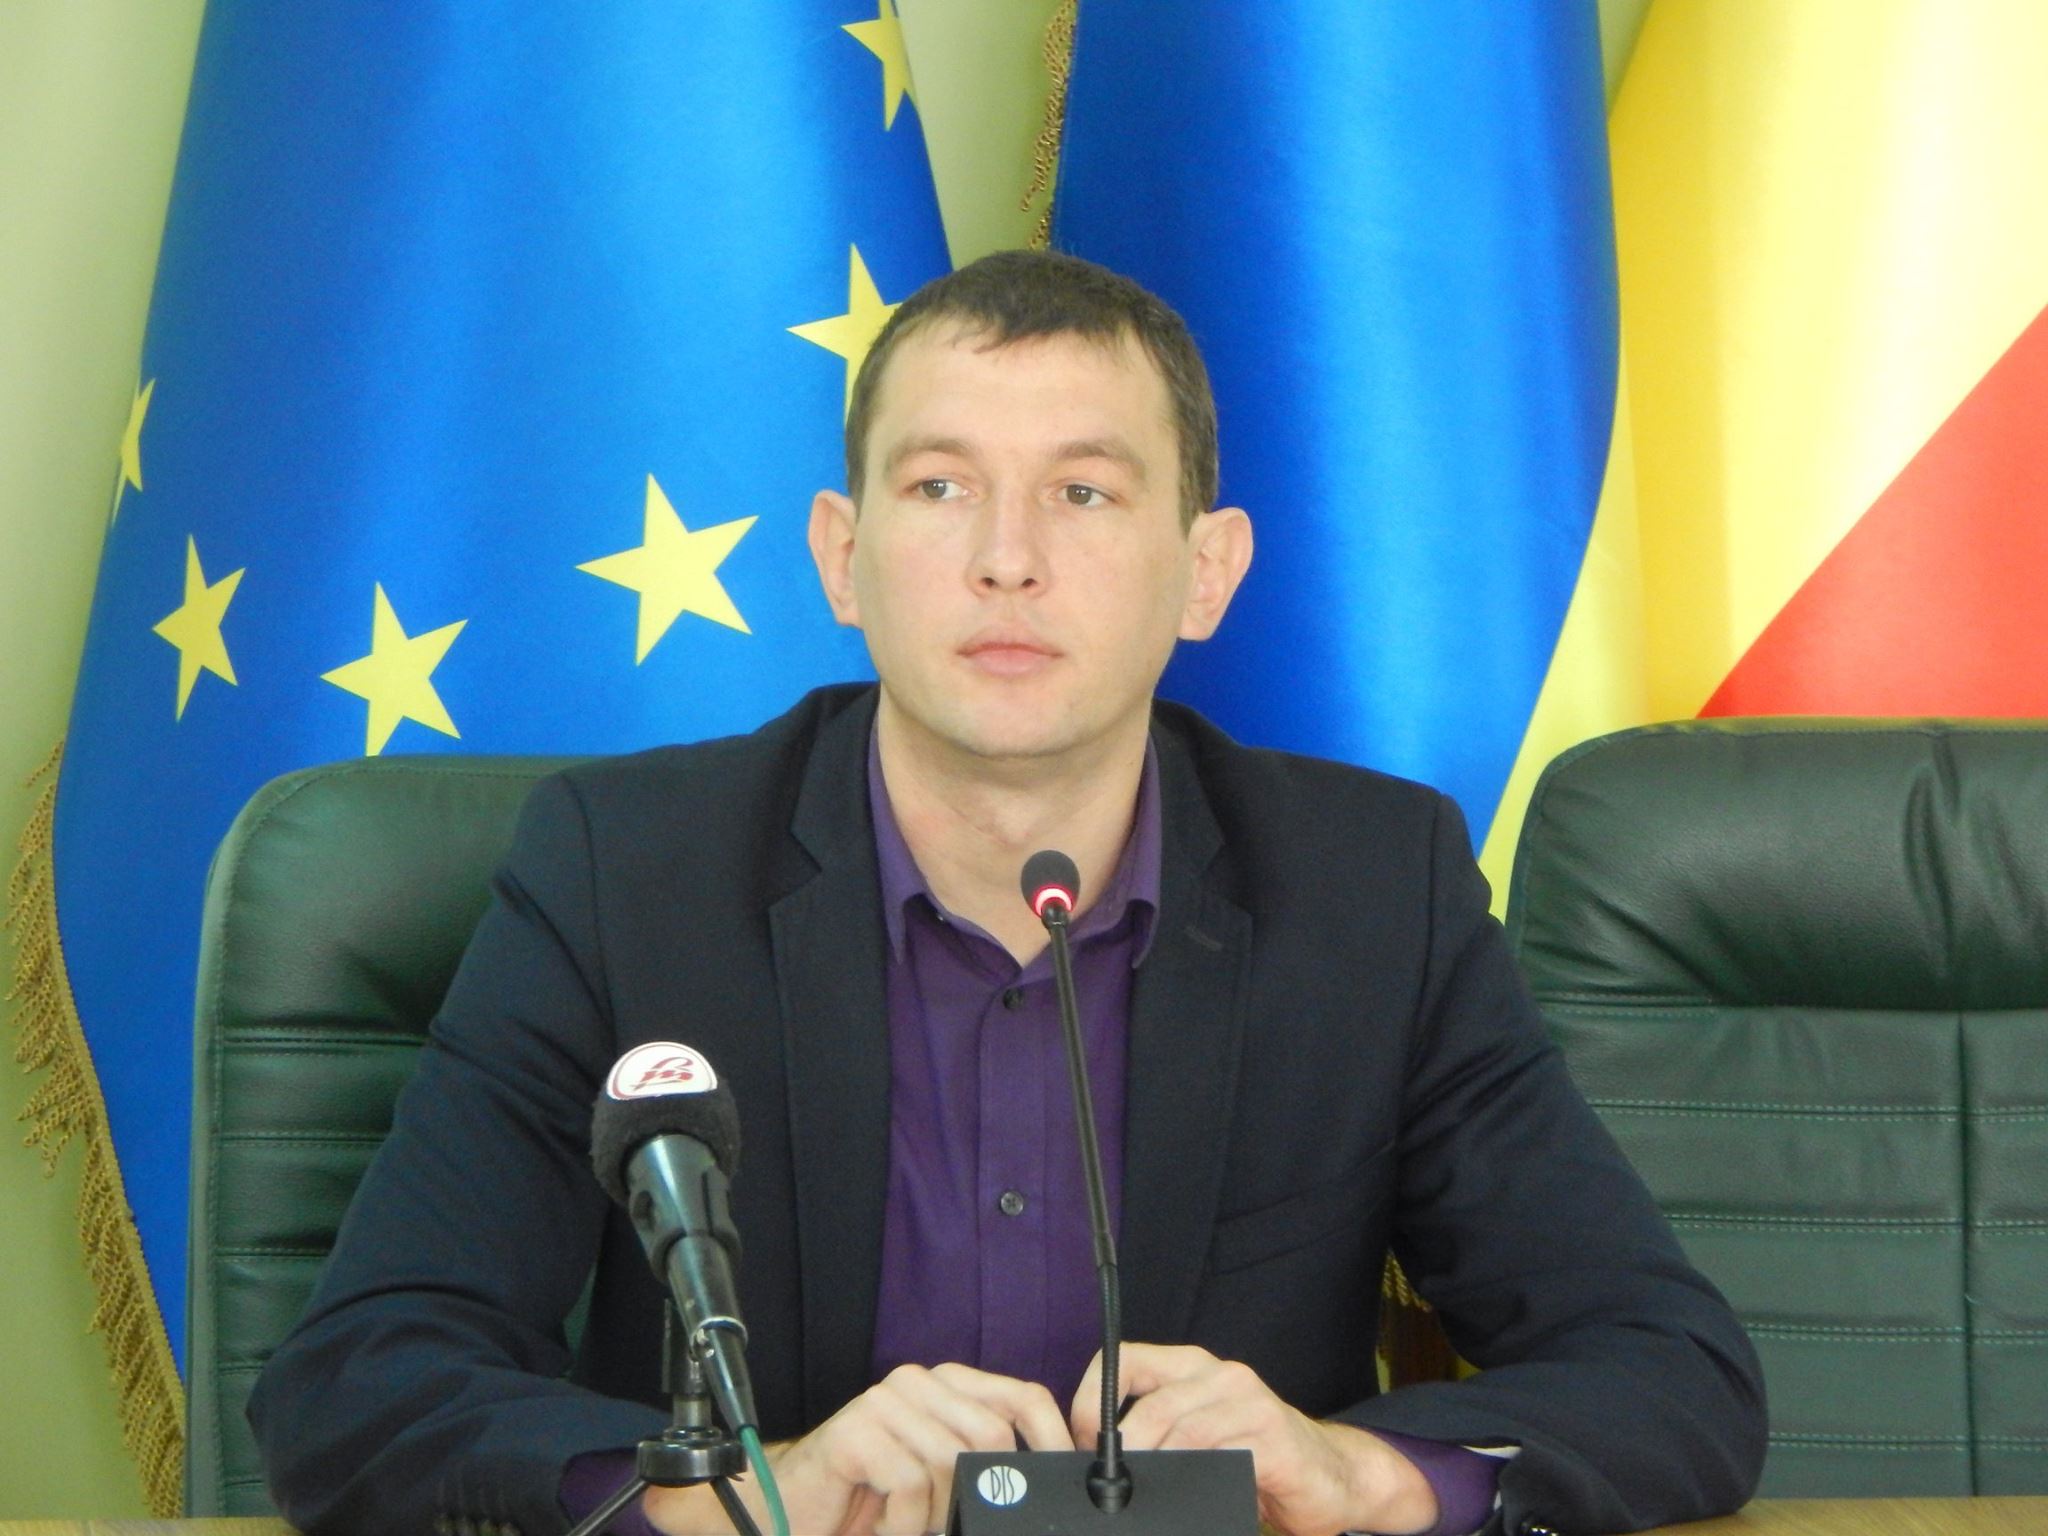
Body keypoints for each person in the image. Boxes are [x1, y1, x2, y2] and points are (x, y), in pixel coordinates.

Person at [250, 250, 1766, 1536]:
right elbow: (358, 1385)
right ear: (843, 557)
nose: (1007, 560)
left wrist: (1353, 1472)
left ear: (1207, 571)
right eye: (939, 487)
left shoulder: (1375, 890)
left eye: (1086, 494)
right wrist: (744, 1499)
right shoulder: (625, 873)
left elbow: (1670, 1373)